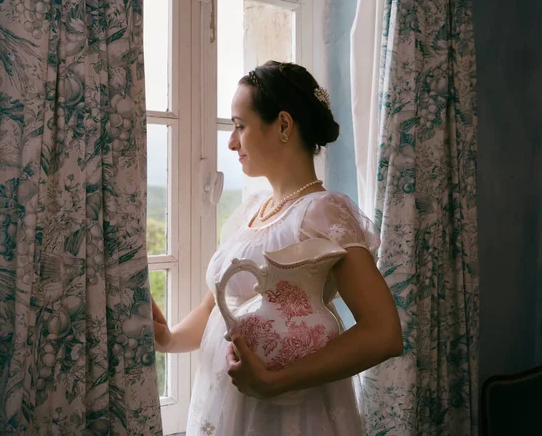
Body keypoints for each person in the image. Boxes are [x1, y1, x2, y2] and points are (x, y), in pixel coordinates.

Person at [151, 61, 403, 436]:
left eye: (240, 125)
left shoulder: (322, 212)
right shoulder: (248, 212)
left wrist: (274, 381)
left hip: (292, 417)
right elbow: (218, 308)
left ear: (284, 125)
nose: (231, 142)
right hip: (226, 411)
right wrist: (168, 339)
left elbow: (384, 333)